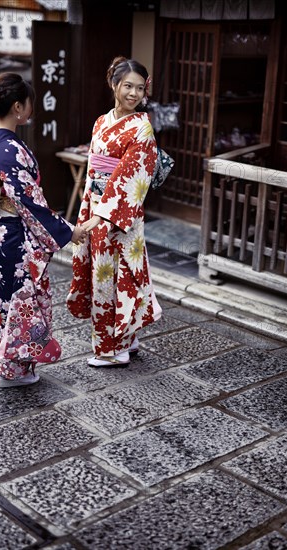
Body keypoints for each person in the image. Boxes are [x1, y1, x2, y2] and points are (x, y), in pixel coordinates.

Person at [0, 72, 86, 388]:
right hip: (12, 233)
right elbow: (29, 201)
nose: (30, 108)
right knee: (19, 300)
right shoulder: (9, 149)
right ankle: (12, 370)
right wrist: (67, 231)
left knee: (0, 298)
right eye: (28, 103)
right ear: (17, 107)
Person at [67, 57, 162, 367]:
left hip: (121, 215)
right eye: (127, 86)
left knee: (116, 277)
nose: (133, 94)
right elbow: (95, 173)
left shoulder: (142, 127)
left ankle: (113, 349)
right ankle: (129, 338)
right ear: (114, 85)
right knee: (103, 274)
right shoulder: (100, 122)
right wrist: (87, 210)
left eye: (139, 88)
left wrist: (101, 216)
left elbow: (132, 175)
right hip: (97, 205)